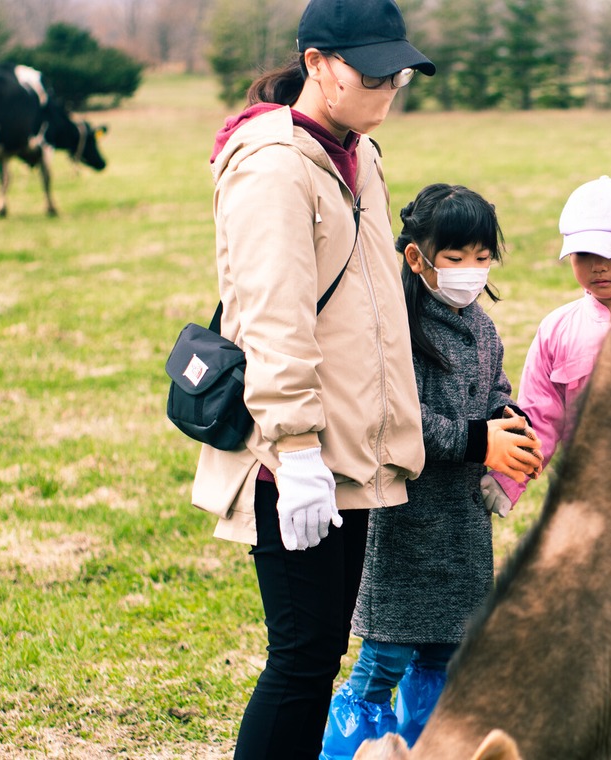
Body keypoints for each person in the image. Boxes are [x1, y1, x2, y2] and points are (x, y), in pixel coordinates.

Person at [188, 0, 434, 757]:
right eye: (373, 70)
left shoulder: (356, 152)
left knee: (317, 652)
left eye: (400, 71)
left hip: (346, 449)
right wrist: (295, 452)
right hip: (293, 459)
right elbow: (273, 317)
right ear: (318, 64)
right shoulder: (273, 166)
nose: (390, 84)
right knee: (301, 658)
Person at [319, 184, 543, 758]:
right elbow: (400, 424)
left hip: (462, 525)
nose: (470, 271)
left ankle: (430, 745)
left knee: (447, 650)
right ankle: (351, 750)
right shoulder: (399, 333)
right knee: (386, 655)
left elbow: (495, 391)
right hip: (407, 519)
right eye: (455, 258)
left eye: (481, 256)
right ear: (418, 259)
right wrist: (479, 441)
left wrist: (509, 423)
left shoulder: (484, 329)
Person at [480, 175, 611, 516]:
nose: (597, 266)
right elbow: (538, 419)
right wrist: (508, 479)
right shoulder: (557, 330)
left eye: (610, 252)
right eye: (583, 254)